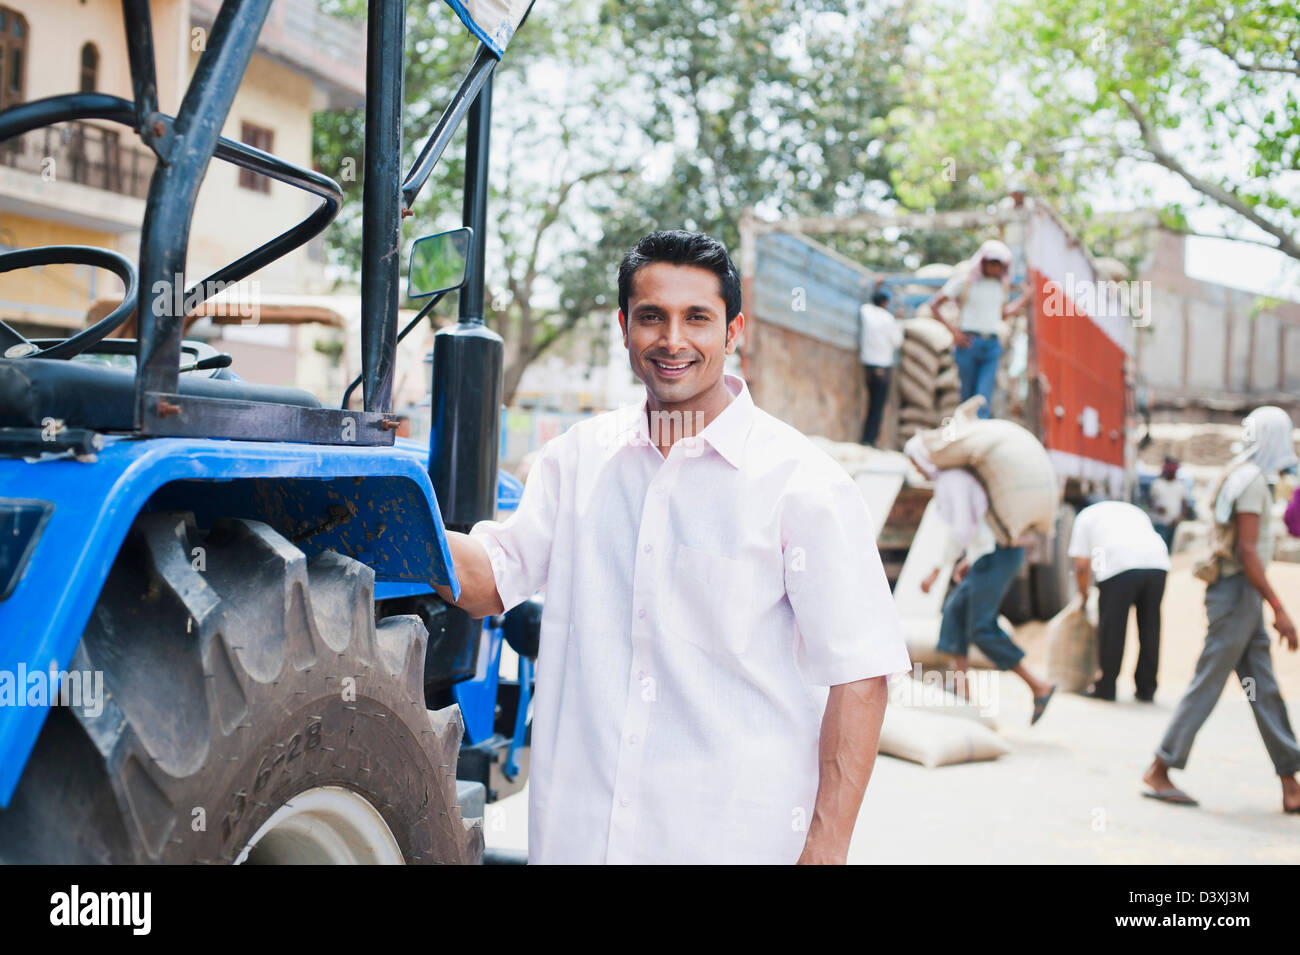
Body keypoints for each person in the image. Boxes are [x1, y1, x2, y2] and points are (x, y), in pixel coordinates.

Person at [435, 231, 911, 864]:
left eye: (698, 318)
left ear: (734, 330)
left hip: (731, 842)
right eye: (652, 316)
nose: (673, 340)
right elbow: (492, 579)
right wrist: (384, 520)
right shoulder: (577, 460)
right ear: (624, 326)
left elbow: (860, 674)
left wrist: (825, 849)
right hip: (582, 839)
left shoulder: (804, 485)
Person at [1142, 406, 1300, 812]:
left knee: (1262, 689)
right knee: (1208, 682)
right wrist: (1279, 607)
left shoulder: (1240, 473)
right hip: (1237, 595)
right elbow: (1248, 551)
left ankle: (1290, 782)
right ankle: (1160, 767)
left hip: (1239, 597)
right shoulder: (1249, 482)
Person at [906, 436, 1056, 724]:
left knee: (980, 627)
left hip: (998, 556)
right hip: (990, 554)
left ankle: (1039, 685)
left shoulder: (952, 481)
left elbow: (962, 528)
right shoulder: (953, 479)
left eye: (915, 460)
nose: (915, 467)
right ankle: (962, 693)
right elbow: (980, 525)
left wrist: (938, 570)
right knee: (954, 612)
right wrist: (968, 561)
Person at [1068, 500, 1170, 702]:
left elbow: (1081, 566)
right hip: (1158, 563)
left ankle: (1106, 687)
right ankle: (1146, 688)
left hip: (1119, 565)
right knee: (1150, 626)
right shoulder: (1131, 510)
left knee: (1112, 628)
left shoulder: (1084, 517)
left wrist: (1084, 595)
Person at [929, 239, 1031, 420]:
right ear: (983, 263)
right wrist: (954, 332)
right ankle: (965, 436)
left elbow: (1003, 314)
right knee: (967, 396)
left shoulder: (1000, 287)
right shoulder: (965, 282)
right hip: (969, 343)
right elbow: (934, 304)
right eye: (992, 263)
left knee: (983, 398)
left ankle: (978, 437)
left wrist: (1025, 297)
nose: (995, 268)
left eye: (999, 264)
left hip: (991, 344)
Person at [859, 288, 902, 446]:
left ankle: (865, 439)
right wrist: (899, 321)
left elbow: (866, 303)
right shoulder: (889, 319)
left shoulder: (866, 312)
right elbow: (897, 341)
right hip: (882, 367)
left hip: (867, 364)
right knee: (877, 405)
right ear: (885, 303)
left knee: (870, 402)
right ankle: (870, 440)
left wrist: (875, 286)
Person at [1148, 456, 1184, 551]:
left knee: (1169, 549)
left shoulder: (1179, 486)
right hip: (1159, 523)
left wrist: (1179, 518)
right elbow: (1150, 502)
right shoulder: (1157, 484)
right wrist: (1157, 508)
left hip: (1172, 524)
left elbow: (1184, 505)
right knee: (1159, 548)